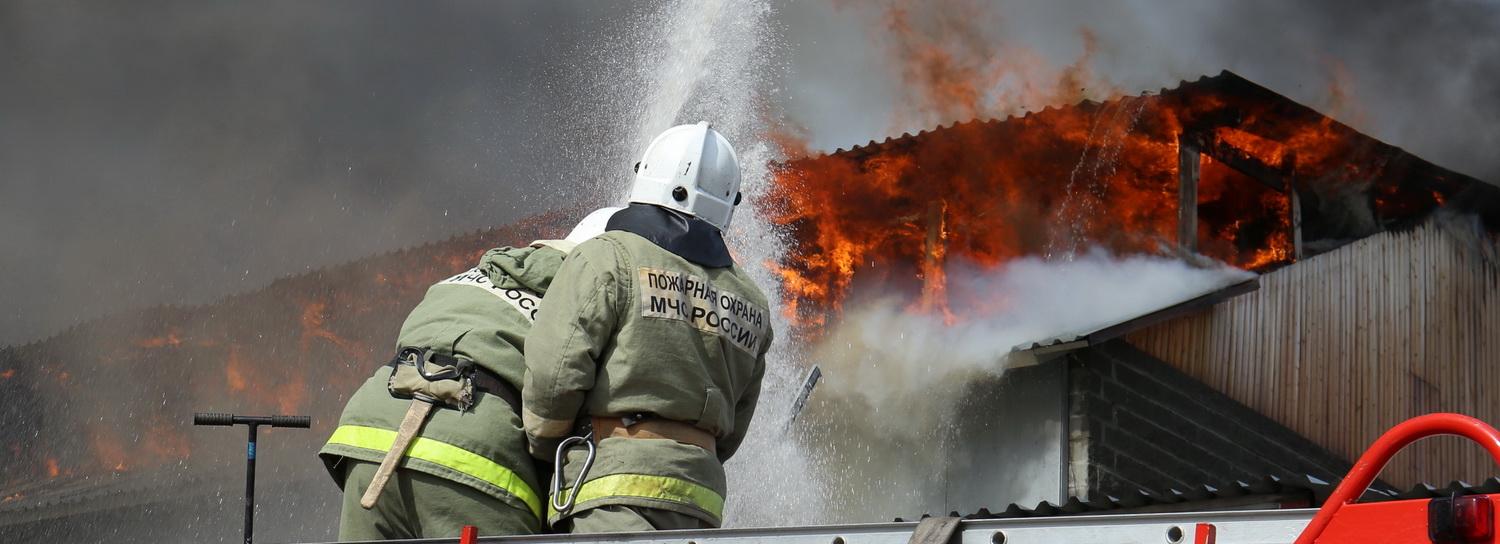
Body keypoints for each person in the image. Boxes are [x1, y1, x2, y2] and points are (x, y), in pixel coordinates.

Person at [522, 122, 774, 533]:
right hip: (700, 504)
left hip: (610, 493)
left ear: (645, 174)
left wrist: (547, 450)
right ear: (729, 202)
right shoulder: (753, 302)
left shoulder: (605, 258)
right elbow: (735, 425)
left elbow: (554, 376)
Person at [318, 207, 620, 540]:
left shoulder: (470, 276)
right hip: (473, 455)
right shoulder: (591, 296)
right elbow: (563, 398)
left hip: (370, 435)